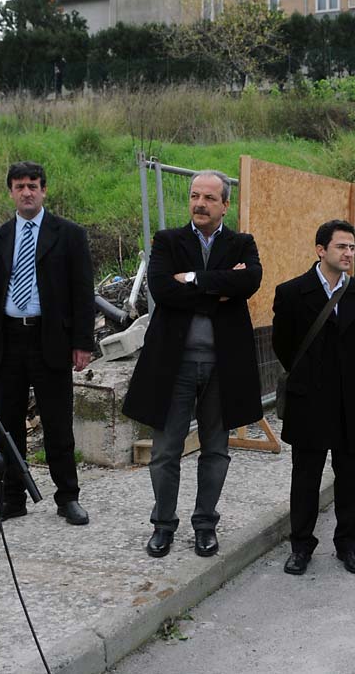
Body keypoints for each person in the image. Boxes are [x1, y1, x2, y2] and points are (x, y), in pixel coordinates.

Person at [122, 170, 263, 558]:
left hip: (223, 365)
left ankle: (205, 525)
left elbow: (250, 281)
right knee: (166, 451)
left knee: (215, 450)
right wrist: (218, 287)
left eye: (208, 198)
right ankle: (163, 525)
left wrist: (194, 279)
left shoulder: (241, 243)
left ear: (225, 205)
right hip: (174, 364)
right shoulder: (168, 241)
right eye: (194, 196)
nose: (199, 204)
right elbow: (163, 289)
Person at [0, 161, 96, 526]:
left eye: (33, 185)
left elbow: (83, 292)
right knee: (6, 425)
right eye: (19, 186)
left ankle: (67, 497)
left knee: (58, 423)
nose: (27, 192)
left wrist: (82, 342)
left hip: (50, 340)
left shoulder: (69, 235)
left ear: (44, 190)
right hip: (8, 341)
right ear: (10, 191)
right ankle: (10, 499)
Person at [273, 219, 355, 576]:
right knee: (306, 478)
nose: (349, 253)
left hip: (351, 400)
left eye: (352, 247)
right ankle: (300, 546)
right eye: (341, 247)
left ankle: (348, 546)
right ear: (321, 250)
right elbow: (283, 346)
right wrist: (313, 377)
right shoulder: (291, 292)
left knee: (349, 478)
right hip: (309, 400)